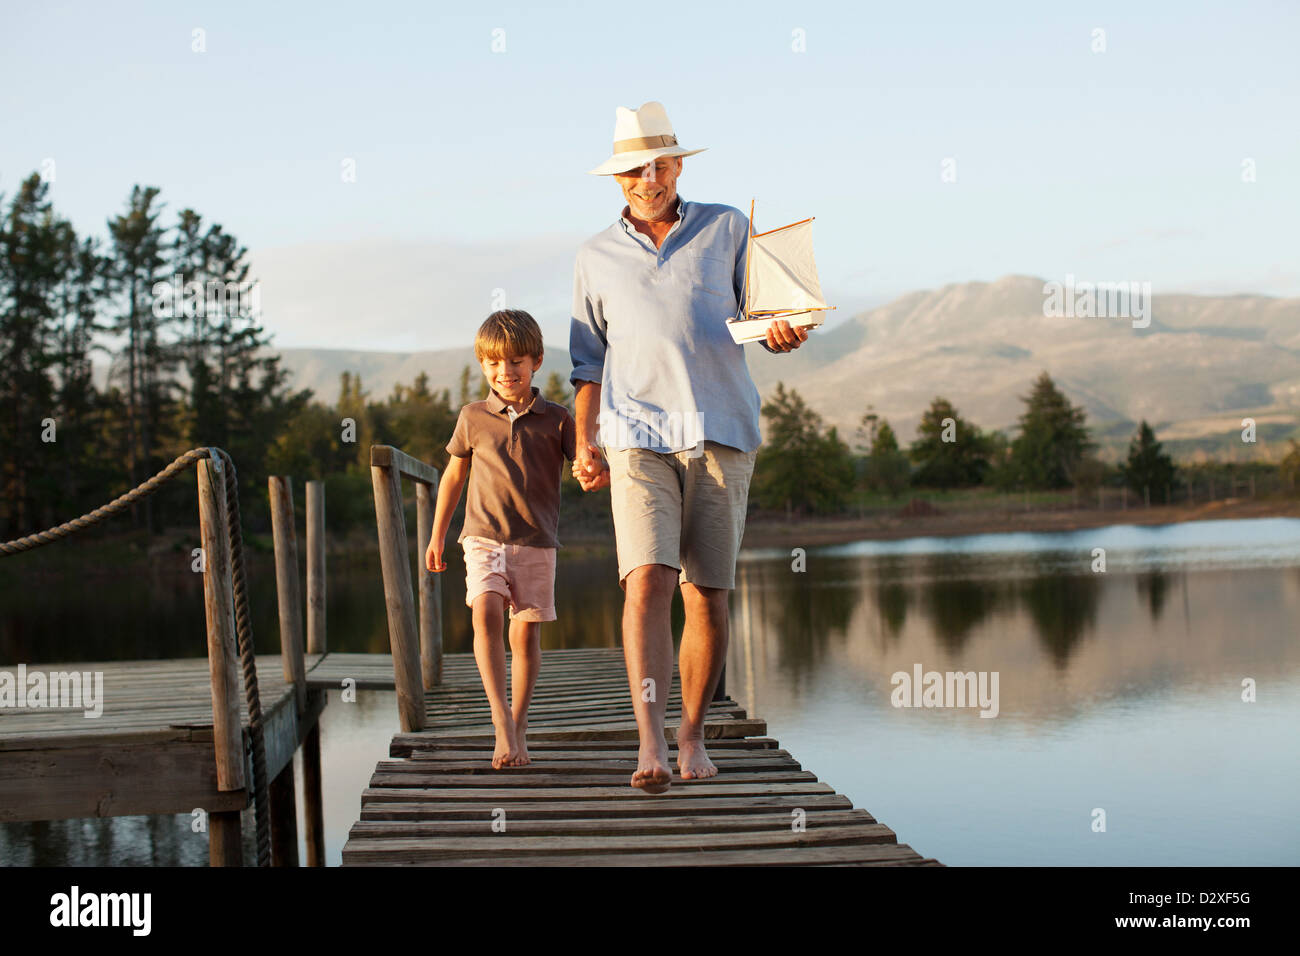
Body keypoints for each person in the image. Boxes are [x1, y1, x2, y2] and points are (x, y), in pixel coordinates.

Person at [570, 102, 808, 793]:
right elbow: (588, 364)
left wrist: (785, 331)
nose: (651, 177)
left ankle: (693, 732)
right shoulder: (594, 257)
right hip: (635, 437)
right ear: (618, 178)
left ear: (679, 165)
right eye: (637, 168)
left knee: (707, 592)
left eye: (662, 163)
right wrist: (585, 440)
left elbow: (766, 315)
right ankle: (648, 740)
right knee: (648, 580)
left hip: (721, 432)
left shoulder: (727, 226)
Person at [426, 309, 576, 769]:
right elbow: (453, 477)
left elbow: (588, 467)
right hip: (482, 536)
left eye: (515, 363)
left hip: (536, 540)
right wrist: (437, 536)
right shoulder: (472, 417)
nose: (504, 373)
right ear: (482, 365)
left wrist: (600, 468)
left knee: (525, 635)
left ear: (536, 362)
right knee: (486, 609)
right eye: (493, 364)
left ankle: (520, 722)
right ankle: (500, 724)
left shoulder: (558, 419)